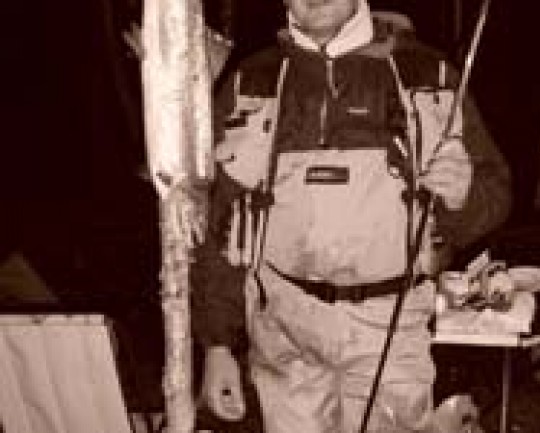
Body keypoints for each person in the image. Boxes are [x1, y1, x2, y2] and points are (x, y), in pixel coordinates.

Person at [190, 0, 511, 432]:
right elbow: (217, 224)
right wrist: (218, 345)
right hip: (283, 330)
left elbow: (495, 197)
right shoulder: (251, 81)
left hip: (391, 332)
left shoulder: (427, 75)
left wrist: (463, 197)